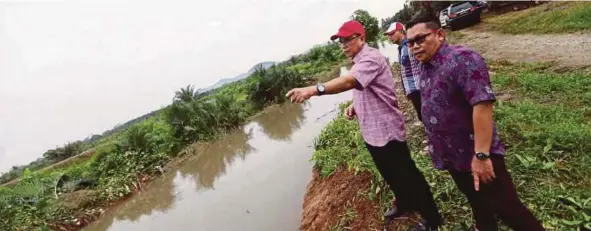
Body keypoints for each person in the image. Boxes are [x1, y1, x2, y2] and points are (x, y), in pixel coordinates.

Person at [286, 20, 442, 231]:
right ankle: (405, 203)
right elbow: (364, 86)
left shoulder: (370, 57)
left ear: (361, 38)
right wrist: (355, 104)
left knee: (408, 174)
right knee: (388, 173)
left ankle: (432, 218)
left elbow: (350, 81)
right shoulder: (359, 61)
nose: (343, 46)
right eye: (340, 42)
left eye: (347, 40)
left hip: (386, 130)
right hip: (372, 132)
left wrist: (314, 89)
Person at [405, 12, 545, 231]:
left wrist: (481, 155)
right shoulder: (425, 66)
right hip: (454, 157)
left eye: (420, 38)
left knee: (508, 209)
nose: (414, 46)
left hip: (477, 155)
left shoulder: (463, 59)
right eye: (410, 42)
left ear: (440, 34)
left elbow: (482, 105)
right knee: (477, 204)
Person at [384, 22, 423, 121]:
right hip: (412, 89)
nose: (390, 37)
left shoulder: (410, 46)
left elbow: (422, 64)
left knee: (425, 115)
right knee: (421, 115)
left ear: (401, 32)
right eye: (389, 35)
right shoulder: (401, 48)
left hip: (419, 88)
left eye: (392, 33)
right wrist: (407, 91)